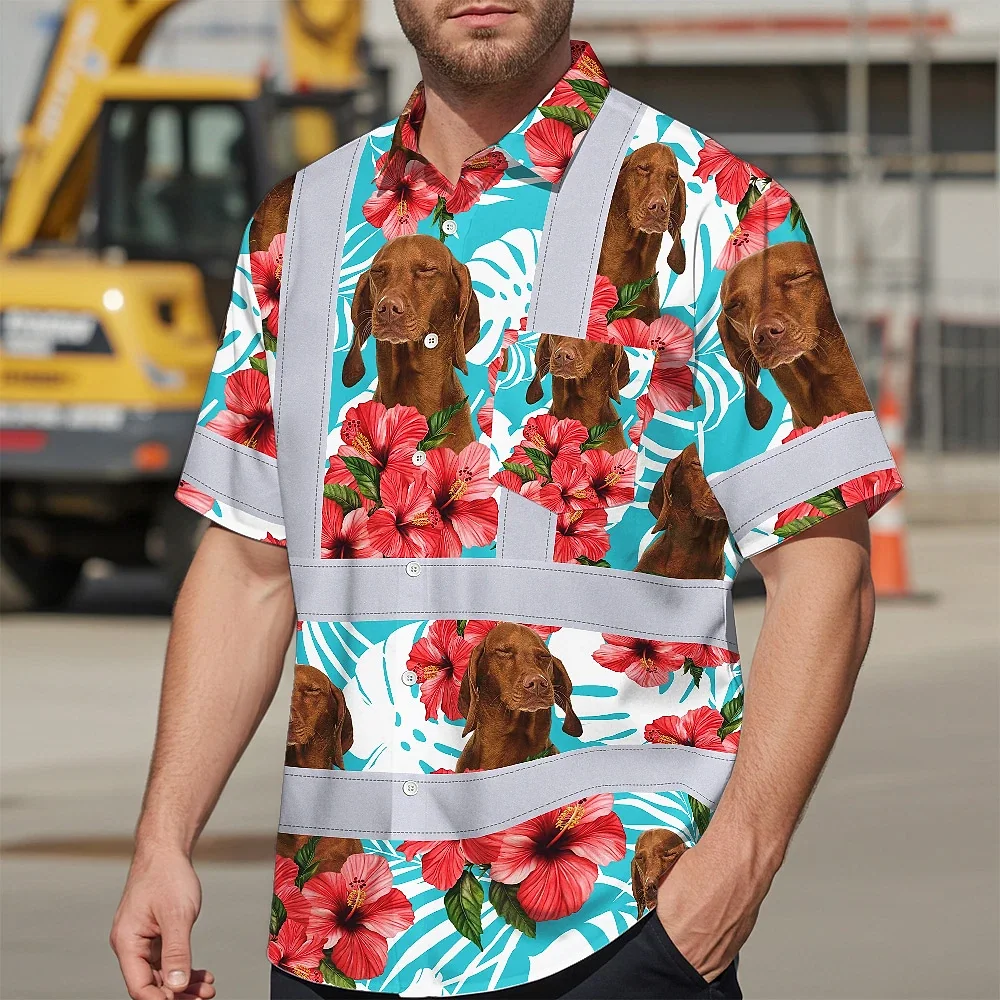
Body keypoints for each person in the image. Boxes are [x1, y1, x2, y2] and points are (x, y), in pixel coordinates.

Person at [110, 3, 903, 999]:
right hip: (339, 931)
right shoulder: (298, 224)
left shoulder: (724, 207)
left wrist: (735, 868)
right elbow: (243, 569)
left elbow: (827, 571)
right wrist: (163, 840)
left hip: (613, 927)